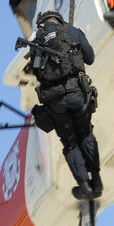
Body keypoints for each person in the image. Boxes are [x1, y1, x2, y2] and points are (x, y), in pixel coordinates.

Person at [26, 10, 102, 201]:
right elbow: (90, 57)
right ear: (59, 20)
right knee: (86, 134)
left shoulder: (38, 42)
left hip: (55, 102)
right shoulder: (72, 32)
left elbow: (36, 73)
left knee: (70, 142)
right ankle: (97, 181)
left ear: (43, 24)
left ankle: (84, 185)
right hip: (77, 94)